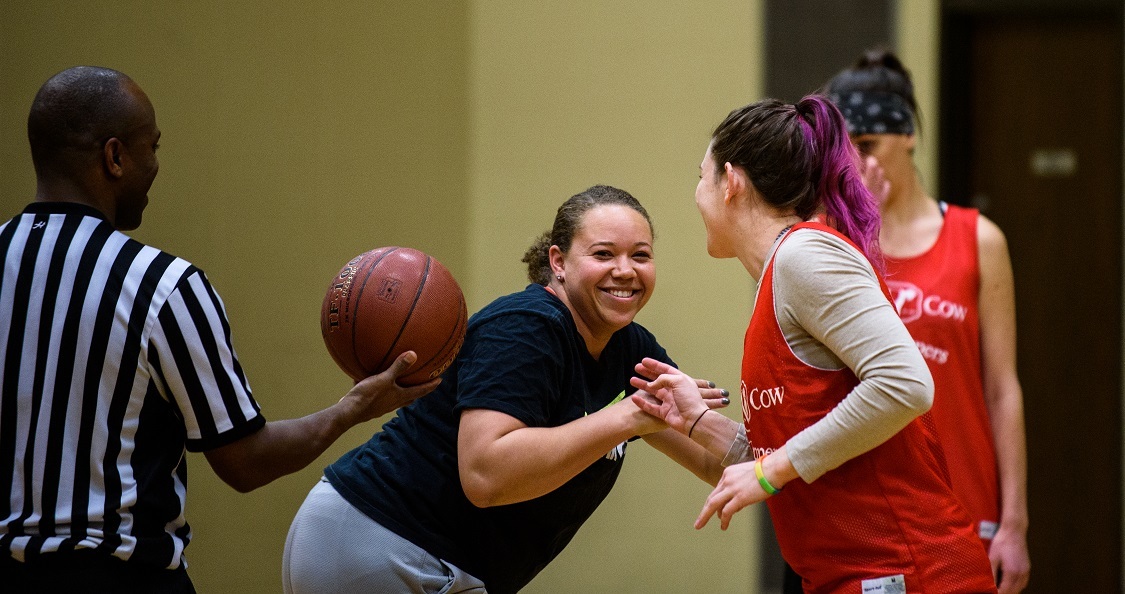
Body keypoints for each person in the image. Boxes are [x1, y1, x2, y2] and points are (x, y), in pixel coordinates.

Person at [0, 66, 437, 593]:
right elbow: (245, 462)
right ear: (114, 157)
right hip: (116, 573)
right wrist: (355, 408)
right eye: (151, 148)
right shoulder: (162, 286)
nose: (156, 166)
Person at [282, 184, 731, 594]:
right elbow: (485, 476)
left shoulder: (632, 350)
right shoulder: (525, 327)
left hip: (450, 564)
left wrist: (789, 451)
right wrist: (628, 417)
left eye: (640, 255)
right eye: (603, 254)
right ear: (558, 262)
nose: (625, 270)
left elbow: (718, 461)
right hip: (375, 534)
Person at [628, 96, 998, 593]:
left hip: (912, 573)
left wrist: (770, 470)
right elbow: (796, 464)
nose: (697, 194)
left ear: (732, 182)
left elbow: (906, 384)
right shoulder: (779, 274)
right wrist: (696, 421)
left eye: (702, 176)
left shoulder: (804, 255)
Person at [825, 49, 1030, 594]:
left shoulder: (978, 239)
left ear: (908, 135)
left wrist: (1014, 522)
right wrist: (857, 228)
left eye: (867, 147)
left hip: (966, 496)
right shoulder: (837, 245)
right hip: (875, 506)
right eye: (845, 153)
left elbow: (1002, 388)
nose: (857, 164)